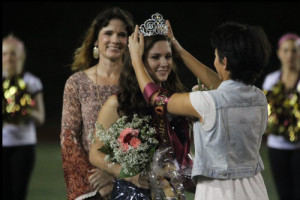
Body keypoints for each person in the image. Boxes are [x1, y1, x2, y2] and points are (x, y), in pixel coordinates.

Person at [128, 19, 272, 200]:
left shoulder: (208, 101)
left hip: (218, 191)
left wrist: (136, 60)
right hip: (255, 188)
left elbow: (157, 98)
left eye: (216, 56)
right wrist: (178, 50)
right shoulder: (259, 97)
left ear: (225, 62)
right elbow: (224, 86)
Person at [89, 13, 194, 200]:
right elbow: (96, 153)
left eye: (168, 56)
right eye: (155, 57)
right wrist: (127, 173)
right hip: (132, 194)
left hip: (171, 194)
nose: (164, 63)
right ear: (140, 61)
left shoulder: (175, 101)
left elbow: (184, 153)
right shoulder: (119, 103)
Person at [60, 7, 134, 200]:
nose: (115, 40)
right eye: (108, 33)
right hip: (92, 186)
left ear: (129, 42)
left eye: (122, 34)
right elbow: (70, 140)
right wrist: (97, 182)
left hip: (131, 182)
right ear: (95, 40)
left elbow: (145, 135)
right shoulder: (76, 83)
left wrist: (114, 174)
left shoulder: (137, 83)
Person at [2, 34, 45, 200]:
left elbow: (40, 118)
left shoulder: (31, 82)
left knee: (18, 195)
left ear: (21, 56)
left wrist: (23, 109)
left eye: (13, 53)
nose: (8, 58)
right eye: (4, 54)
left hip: (23, 146)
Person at [262, 33, 300, 200]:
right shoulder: (271, 80)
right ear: (279, 53)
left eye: (294, 50)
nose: (290, 55)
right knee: (284, 194)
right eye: (286, 50)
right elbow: (266, 113)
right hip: (276, 146)